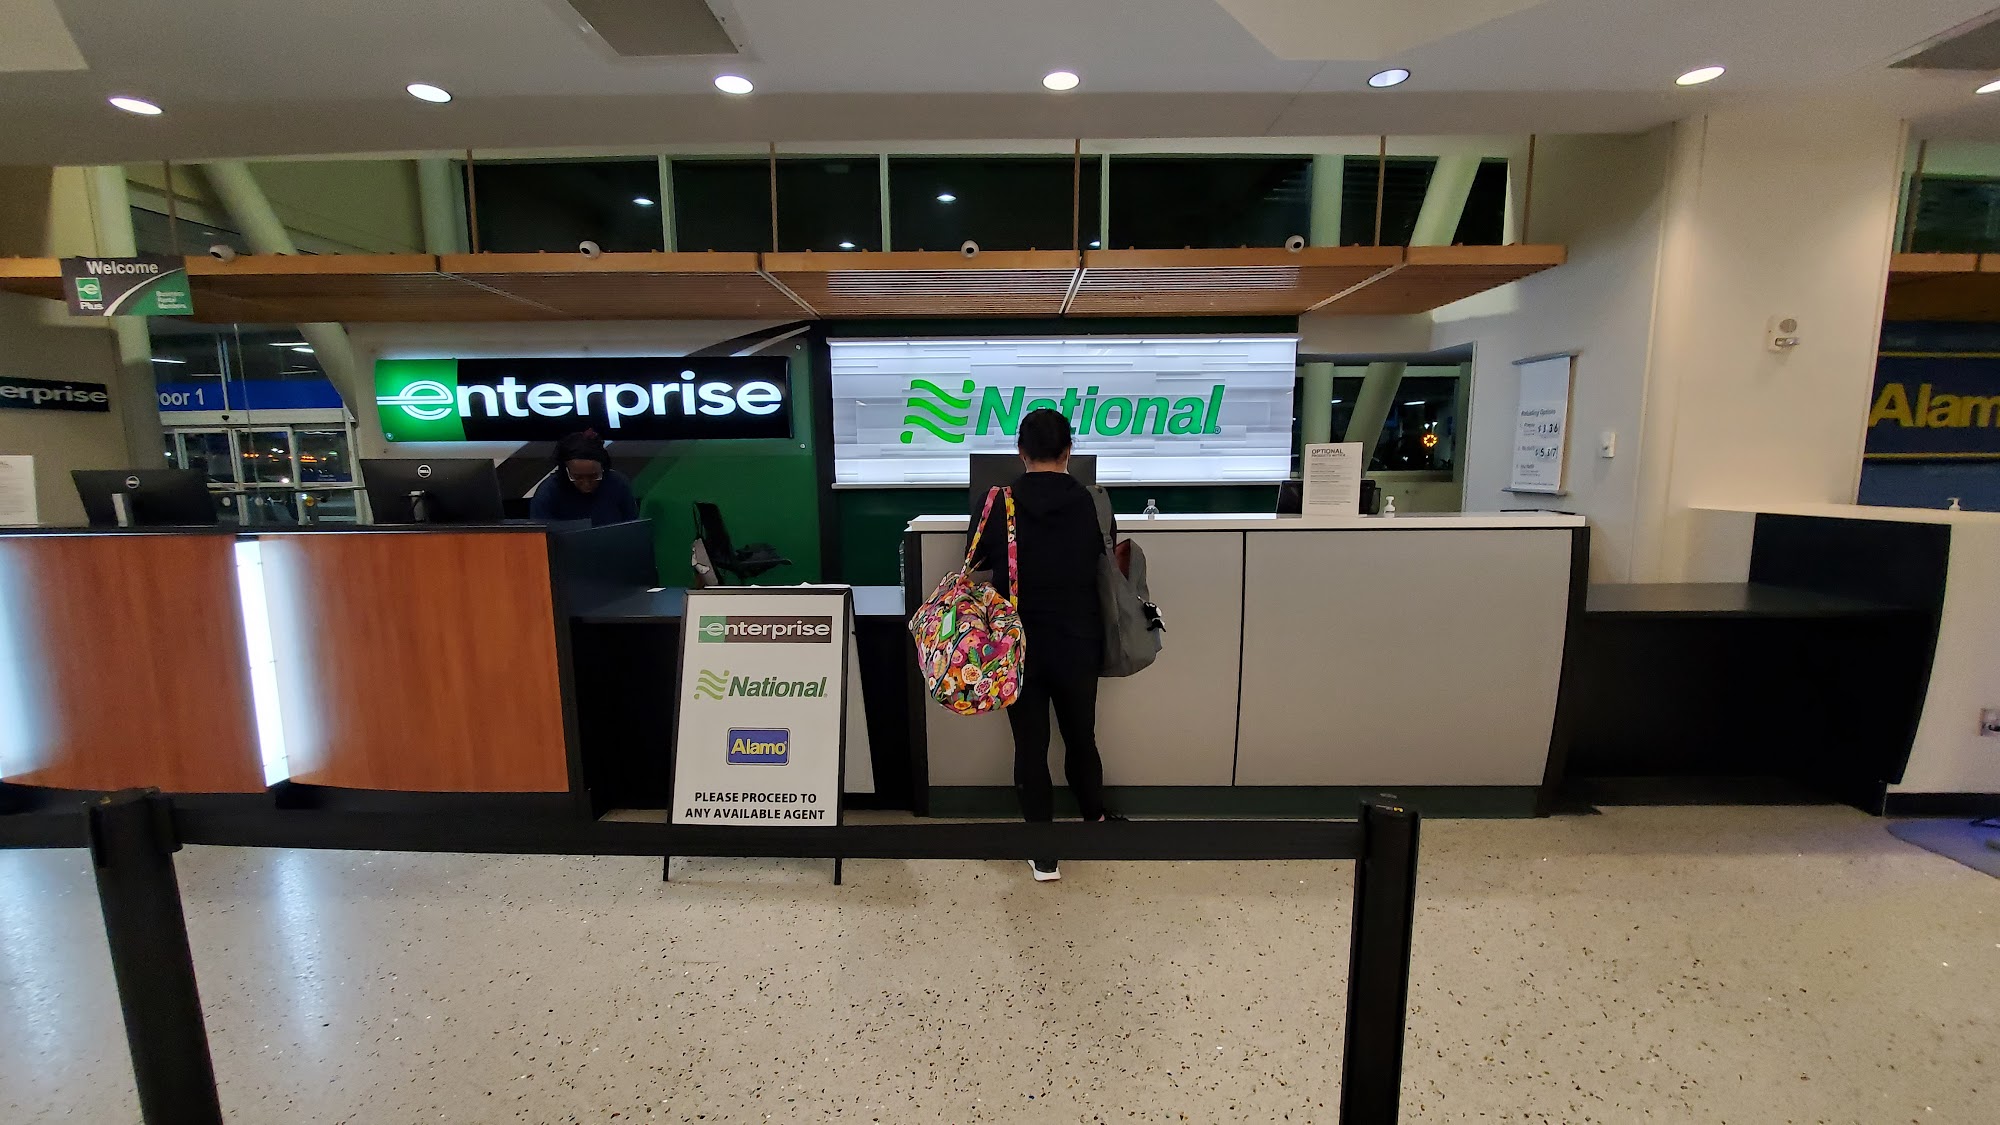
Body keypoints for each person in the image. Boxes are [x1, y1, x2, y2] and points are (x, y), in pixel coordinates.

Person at [969, 408, 1117, 883]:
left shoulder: (997, 502)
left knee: (1030, 746)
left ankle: (1044, 852)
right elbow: (1102, 555)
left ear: (1021, 451)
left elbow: (976, 559)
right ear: (1069, 450)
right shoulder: (1094, 502)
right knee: (1081, 736)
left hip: (1018, 644)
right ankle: (1095, 822)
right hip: (1078, 639)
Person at [529, 431, 640, 526]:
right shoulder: (548, 493)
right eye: (577, 477)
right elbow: (540, 538)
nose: (586, 484)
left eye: (594, 476)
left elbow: (632, 528)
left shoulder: (618, 484)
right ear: (566, 470)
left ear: (603, 468)